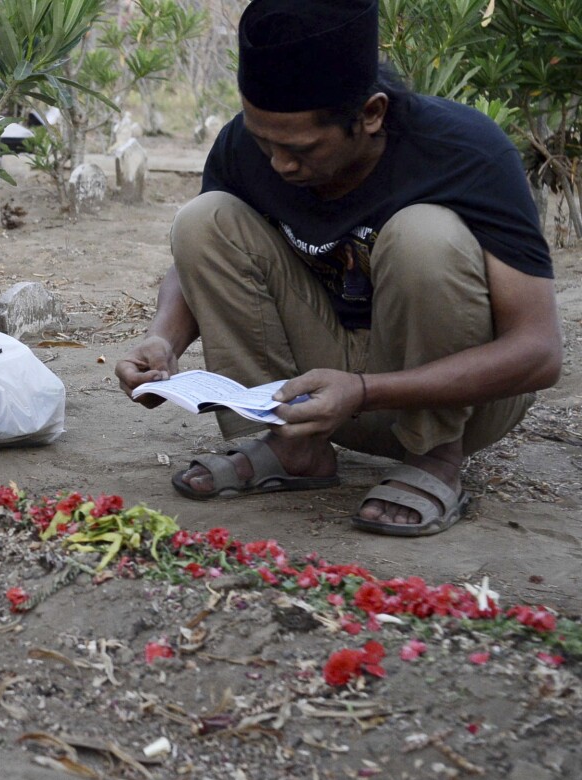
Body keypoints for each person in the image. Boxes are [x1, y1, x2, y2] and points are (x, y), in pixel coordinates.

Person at [115, 0, 562, 537]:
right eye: (265, 142)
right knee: (203, 218)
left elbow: (538, 354)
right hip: (316, 399)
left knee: (424, 234)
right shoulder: (246, 146)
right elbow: (199, 261)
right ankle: (292, 446)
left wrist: (367, 389)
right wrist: (164, 340)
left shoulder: (464, 153)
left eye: (300, 149)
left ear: (370, 114)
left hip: (457, 400)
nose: (280, 164)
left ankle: (436, 458)